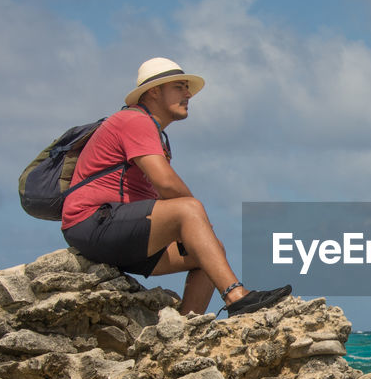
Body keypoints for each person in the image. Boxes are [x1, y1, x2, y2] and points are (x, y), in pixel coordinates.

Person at [61, 57, 290, 317]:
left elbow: (159, 194)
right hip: (92, 222)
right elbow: (166, 183)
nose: (188, 94)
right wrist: (196, 218)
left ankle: (186, 329)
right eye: (179, 87)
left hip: (117, 229)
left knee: (210, 252)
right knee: (189, 211)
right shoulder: (134, 120)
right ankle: (237, 297)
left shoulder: (153, 131)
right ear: (154, 91)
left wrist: (196, 230)